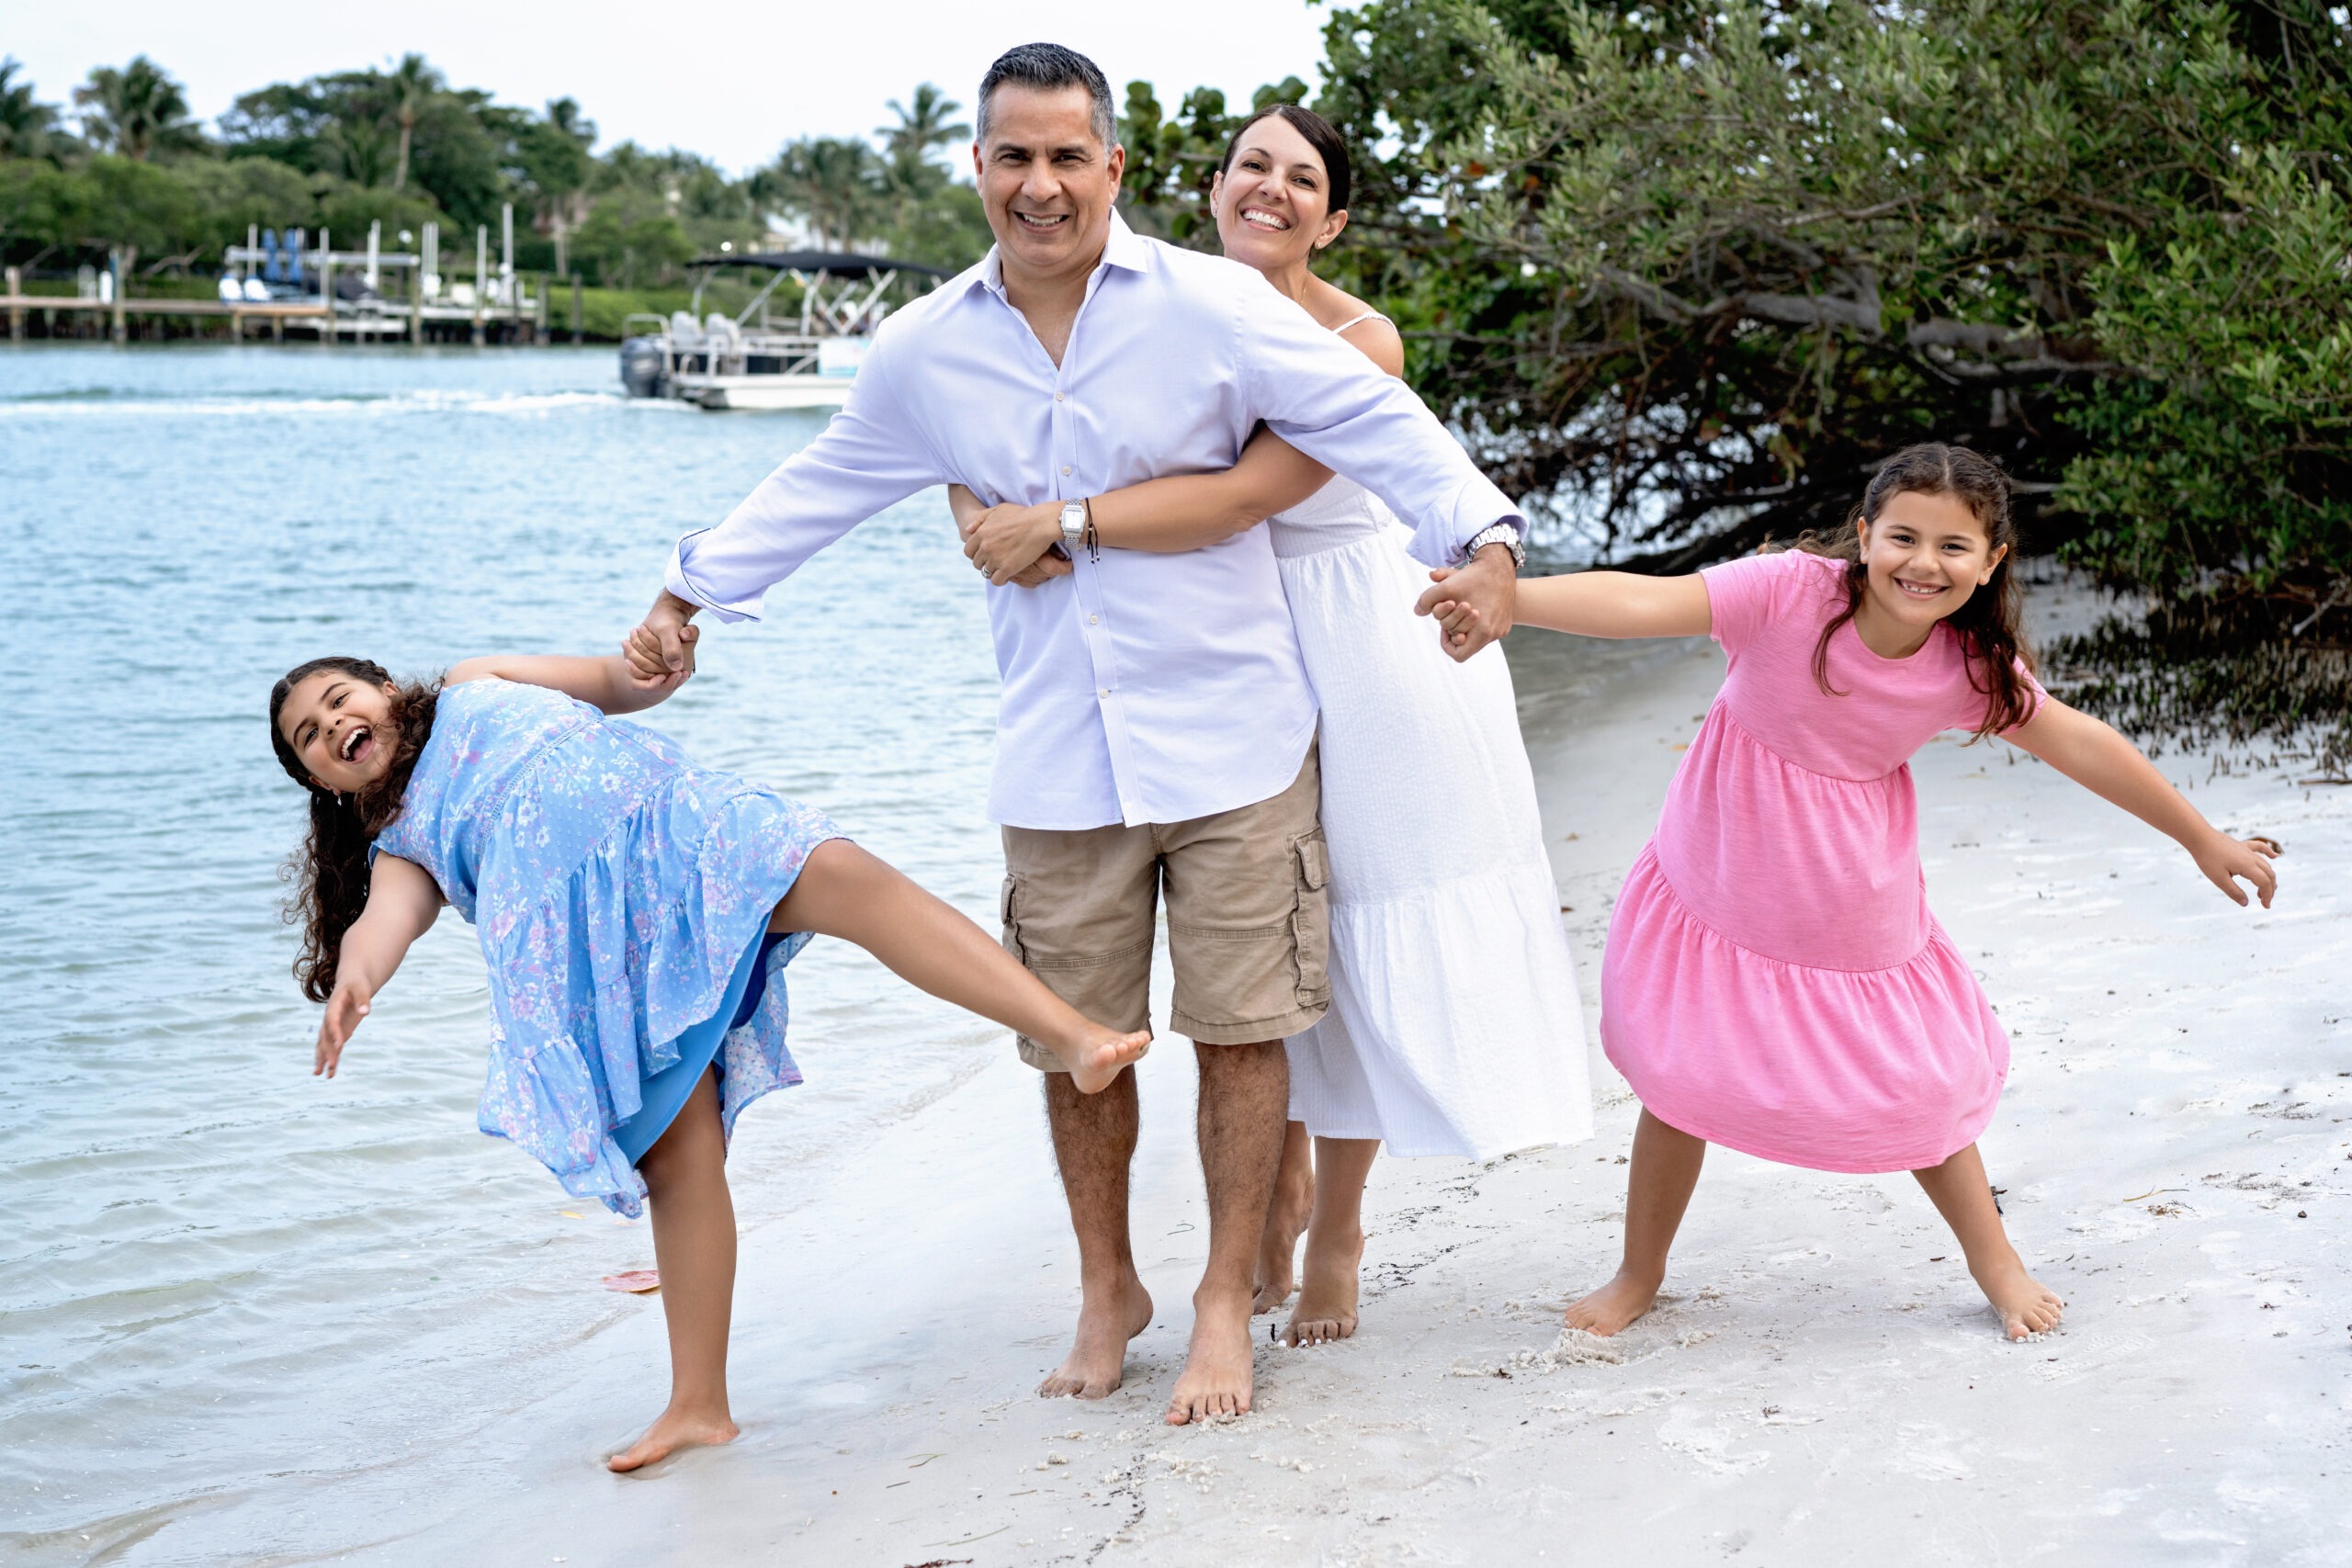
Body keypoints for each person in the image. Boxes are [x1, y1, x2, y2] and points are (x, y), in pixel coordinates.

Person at [623, 43, 1531, 1426]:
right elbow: (820, 483)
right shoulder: (928, 346)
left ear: (1113, 166)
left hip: (1237, 732)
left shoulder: (1211, 304)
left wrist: (1485, 535)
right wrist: (690, 590)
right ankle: (1111, 1284)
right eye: (1013, 157)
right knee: (1078, 1043)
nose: (1040, 185)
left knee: (1242, 1033)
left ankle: (1228, 1292)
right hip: (1059, 752)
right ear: (977, 168)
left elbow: (1369, 415)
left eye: (1067, 156)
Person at [950, 104, 1591, 1350]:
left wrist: (1056, 520)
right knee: (1266, 944)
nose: (1273, 190)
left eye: (1303, 180)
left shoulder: (1360, 335)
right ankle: (1261, 1205)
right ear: (1209, 186)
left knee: (1348, 932)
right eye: (1253, 166)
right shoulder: (1148, 315)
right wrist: (986, 500)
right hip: (1225, 644)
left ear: (1333, 216)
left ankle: (1336, 1220)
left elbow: (1252, 491)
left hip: (1362, 637)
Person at [1425, 443, 2280, 1341]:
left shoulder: (1966, 667)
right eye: (1903, 537)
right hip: (1719, 884)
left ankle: (1996, 1261)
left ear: (1990, 563)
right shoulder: (1788, 594)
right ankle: (1640, 1272)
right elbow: (1649, 599)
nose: (1923, 563)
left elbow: (2080, 742)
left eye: (1953, 548)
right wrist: (1510, 597)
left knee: (1922, 1083)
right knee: (1679, 1079)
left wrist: (2199, 837)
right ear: (1864, 535)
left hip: (1848, 901)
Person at [269, 652, 1148, 1472]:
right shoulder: (402, 842)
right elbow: (384, 924)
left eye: (337, 698)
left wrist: (657, 662)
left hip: (688, 839)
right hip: (607, 961)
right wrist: (355, 978)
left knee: (845, 874)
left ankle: (1073, 1038)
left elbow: (612, 681)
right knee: (678, 1161)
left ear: (385, 688)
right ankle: (699, 1404)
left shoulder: (475, 680)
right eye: (309, 737)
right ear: (321, 783)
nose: (331, 724)